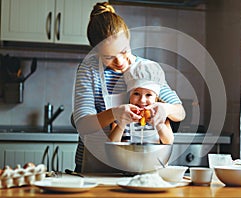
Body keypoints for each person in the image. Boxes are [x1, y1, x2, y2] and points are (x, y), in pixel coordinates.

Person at [73, 2, 185, 172]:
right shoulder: (89, 69)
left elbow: (180, 112)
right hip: (97, 165)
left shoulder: (146, 69)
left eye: (124, 51)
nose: (119, 61)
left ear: (129, 40)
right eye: (109, 56)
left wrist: (165, 109)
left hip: (141, 166)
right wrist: (115, 114)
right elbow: (83, 124)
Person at [109, 60, 174, 144]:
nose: (142, 100)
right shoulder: (121, 115)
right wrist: (122, 123)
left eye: (148, 95)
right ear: (129, 95)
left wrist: (159, 124)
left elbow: (168, 141)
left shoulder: (161, 116)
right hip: (126, 156)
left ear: (156, 98)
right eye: (136, 94)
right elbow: (112, 142)